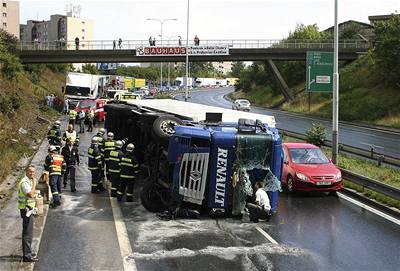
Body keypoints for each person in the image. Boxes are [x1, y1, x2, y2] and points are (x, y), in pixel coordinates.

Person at [18, 165, 39, 262]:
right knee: (27, 233)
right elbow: (30, 194)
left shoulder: (29, 180)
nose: (32, 173)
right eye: (30, 171)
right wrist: (34, 183)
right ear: (26, 172)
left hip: (30, 209)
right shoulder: (25, 182)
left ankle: (28, 252)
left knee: (29, 232)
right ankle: (27, 256)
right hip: (26, 210)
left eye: (33, 172)